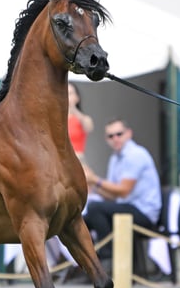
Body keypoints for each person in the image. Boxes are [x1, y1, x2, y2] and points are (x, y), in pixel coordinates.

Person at [83, 118, 162, 271]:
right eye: (110, 136)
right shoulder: (115, 158)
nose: (115, 139)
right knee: (82, 220)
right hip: (126, 206)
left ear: (129, 134)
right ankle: (90, 265)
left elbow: (124, 191)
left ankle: (108, 259)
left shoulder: (135, 154)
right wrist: (91, 184)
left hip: (144, 212)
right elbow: (113, 196)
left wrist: (96, 180)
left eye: (119, 134)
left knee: (95, 208)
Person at [67, 82, 94, 162]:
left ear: (77, 97)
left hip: (78, 158)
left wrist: (73, 109)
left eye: (70, 93)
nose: (67, 96)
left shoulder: (84, 118)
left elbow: (89, 128)